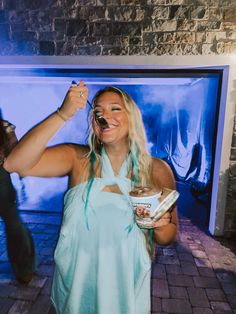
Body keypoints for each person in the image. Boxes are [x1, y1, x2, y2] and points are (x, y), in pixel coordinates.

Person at [4, 81, 178, 313]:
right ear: (93, 123)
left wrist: (158, 226)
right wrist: (62, 114)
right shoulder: (77, 159)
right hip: (77, 288)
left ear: (132, 117)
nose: (104, 115)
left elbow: (168, 236)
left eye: (115, 108)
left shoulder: (156, 169)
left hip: (125, 289)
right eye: (97, 111)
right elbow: (15, 163)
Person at [0, 112, 35, 284]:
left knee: (13, 225)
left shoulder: (4, 127)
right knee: (13, 224)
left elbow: (16, 154)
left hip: (2, 183)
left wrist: (22, 180)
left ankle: (24, 269)